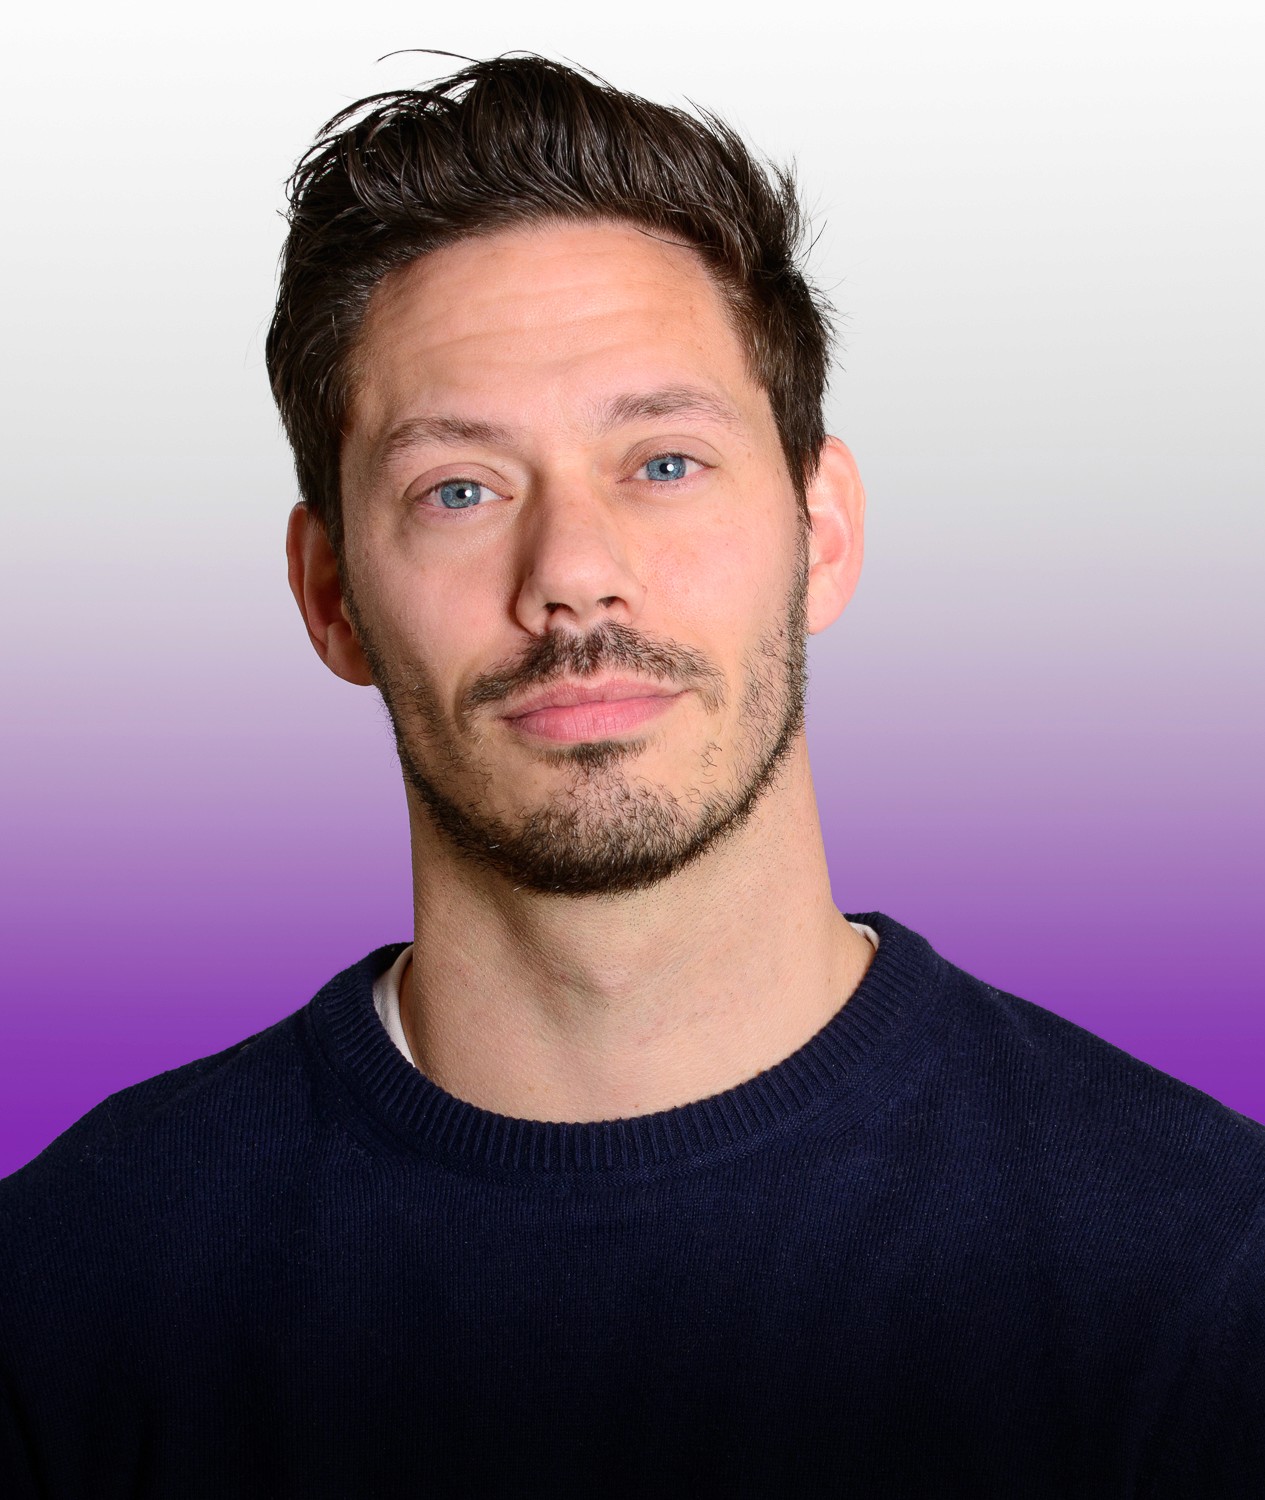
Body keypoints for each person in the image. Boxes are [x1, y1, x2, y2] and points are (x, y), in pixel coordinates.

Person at [2, 53, 1262, 1497]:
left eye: (662, 462)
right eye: (458, 489)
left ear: (822, 532)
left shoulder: (1201, 1270)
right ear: (330, 592)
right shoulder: (69, 1297)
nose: (574, 576)